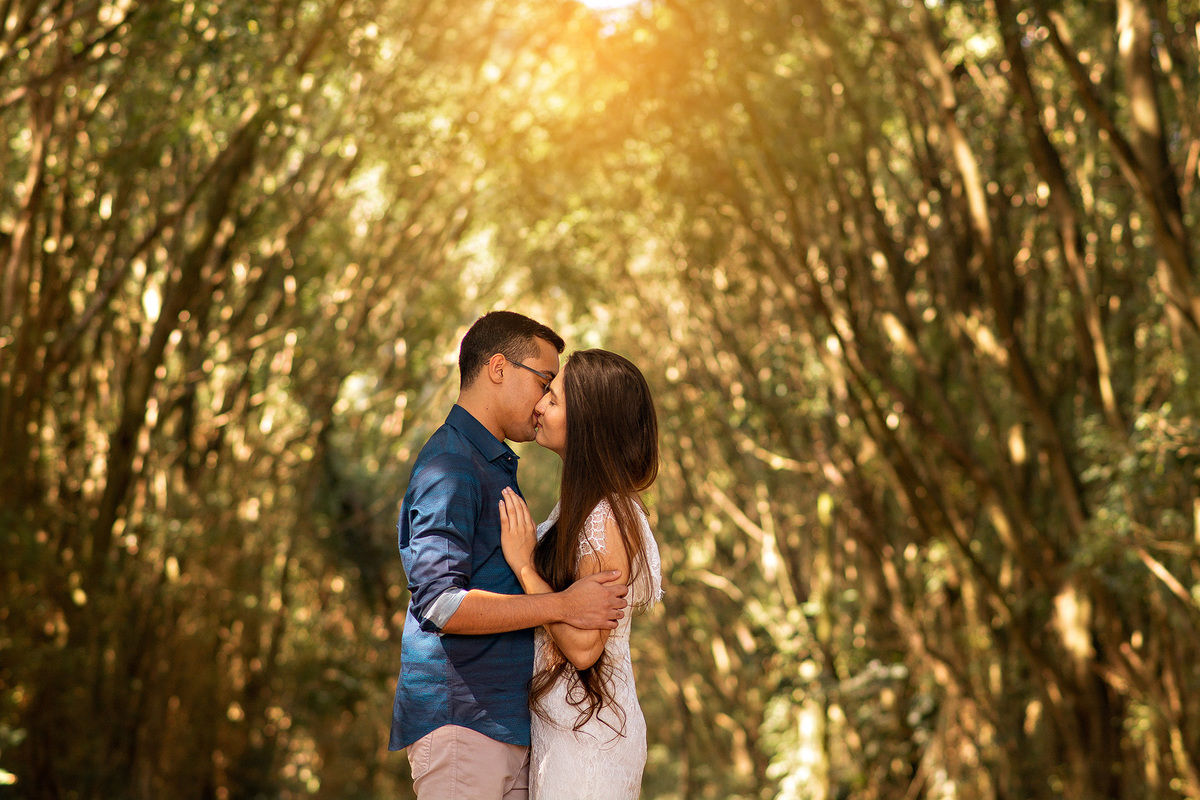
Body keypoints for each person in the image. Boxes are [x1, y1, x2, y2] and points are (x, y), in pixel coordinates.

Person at [389, 312, 631, 800]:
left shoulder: (492, 463)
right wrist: (561, 605)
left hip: (507, 727)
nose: (545, 400)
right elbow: (441, 604)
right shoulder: (450, 465)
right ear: (498, 368)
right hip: (463, 723)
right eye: (544, 381)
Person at [497, 349, 662, 800]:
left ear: (587, 421)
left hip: (593, 738)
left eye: (553, 396)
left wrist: (526, 566)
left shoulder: (607, 516)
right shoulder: (579, 509)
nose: (539, 404)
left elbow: (585, 648)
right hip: (568, 725)